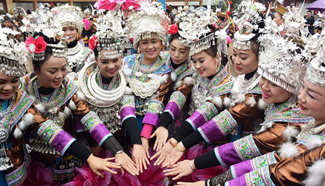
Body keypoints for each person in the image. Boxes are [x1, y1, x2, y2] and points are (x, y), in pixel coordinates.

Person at [166, 31, 313, 185]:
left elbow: (243, 138)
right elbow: (213, 106)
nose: (265, 86)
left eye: (275, 83)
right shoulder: (245, 81)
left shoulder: (289, 119)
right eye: (263, 78)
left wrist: (201, 173)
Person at [155, 1, 267, 169]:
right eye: (193, 61)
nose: (197, 66)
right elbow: (180, 93)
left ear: (218, 57)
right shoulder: (197, 75)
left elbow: (208, 110)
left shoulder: (231, 83)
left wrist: (177, 141)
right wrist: (164, 123)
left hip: (219, 149)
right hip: (189, 141)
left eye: (201, 61)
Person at [21, 36, 127, 185]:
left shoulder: (68, 87)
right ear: (36, 70)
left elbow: (88, 116)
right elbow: (46, 128)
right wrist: (89, 157)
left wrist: (117, 150)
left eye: (63, 69)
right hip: (34, 159)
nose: (60, 75)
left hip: (68, 156)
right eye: (53, 71)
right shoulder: (23, 90)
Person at [53, 5, 95, 72]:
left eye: (72, 29)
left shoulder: (87, 53)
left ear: (77, 31)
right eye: (64, 30)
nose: (68, 33)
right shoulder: (53, 54)